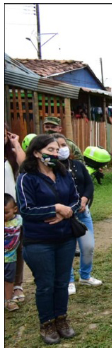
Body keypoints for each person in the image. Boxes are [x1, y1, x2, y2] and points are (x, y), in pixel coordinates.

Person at [16, 134, 80, 344]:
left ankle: (62, 319)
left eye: (56, 150)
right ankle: (47, 324)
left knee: (61, 283)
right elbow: (26, 210)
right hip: (39, 242)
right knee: (45, 285)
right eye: (49, 150)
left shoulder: (63, 174)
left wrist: (64, 211)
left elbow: (75, 200)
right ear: (36, 153)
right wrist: (54, 208)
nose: (54, 154)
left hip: (65, 238)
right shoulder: (27, 177)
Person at [53, 133, 102, 295]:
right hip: (64, 216)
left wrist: (84, 199)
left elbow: (89, 185)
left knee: (88, 247)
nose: (61, 149)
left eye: (64, 145)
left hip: (83, 213)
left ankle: (85, 276)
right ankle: (68, 280)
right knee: (66, 249)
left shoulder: (78, 165)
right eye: (57, 146)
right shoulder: (51, 169)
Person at [4, 123, 26, 304]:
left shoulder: (11, 156)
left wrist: (16, 143)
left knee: (16, 248)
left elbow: (24, 164)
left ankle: (17, 285)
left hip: (12, 209)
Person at [4, 194, 22, 312]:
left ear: (15, 209)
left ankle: (8, 301)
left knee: (9, 280)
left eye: (5, 213)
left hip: (11, 258)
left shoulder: (20, 220)